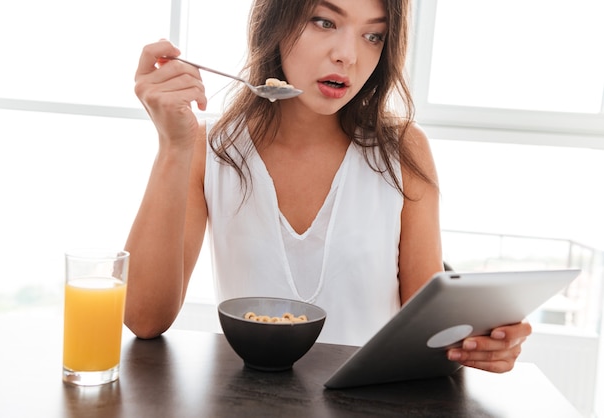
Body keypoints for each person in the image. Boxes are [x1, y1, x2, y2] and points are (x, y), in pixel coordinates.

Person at [125, 0, 531, 373]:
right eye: (325, 22)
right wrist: (174, 146)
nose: (348, 56)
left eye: (373, 35)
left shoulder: (404, 150)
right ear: (276, 23)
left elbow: (427, 329)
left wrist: (482, 340)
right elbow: (143, 318)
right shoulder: (211, 147)